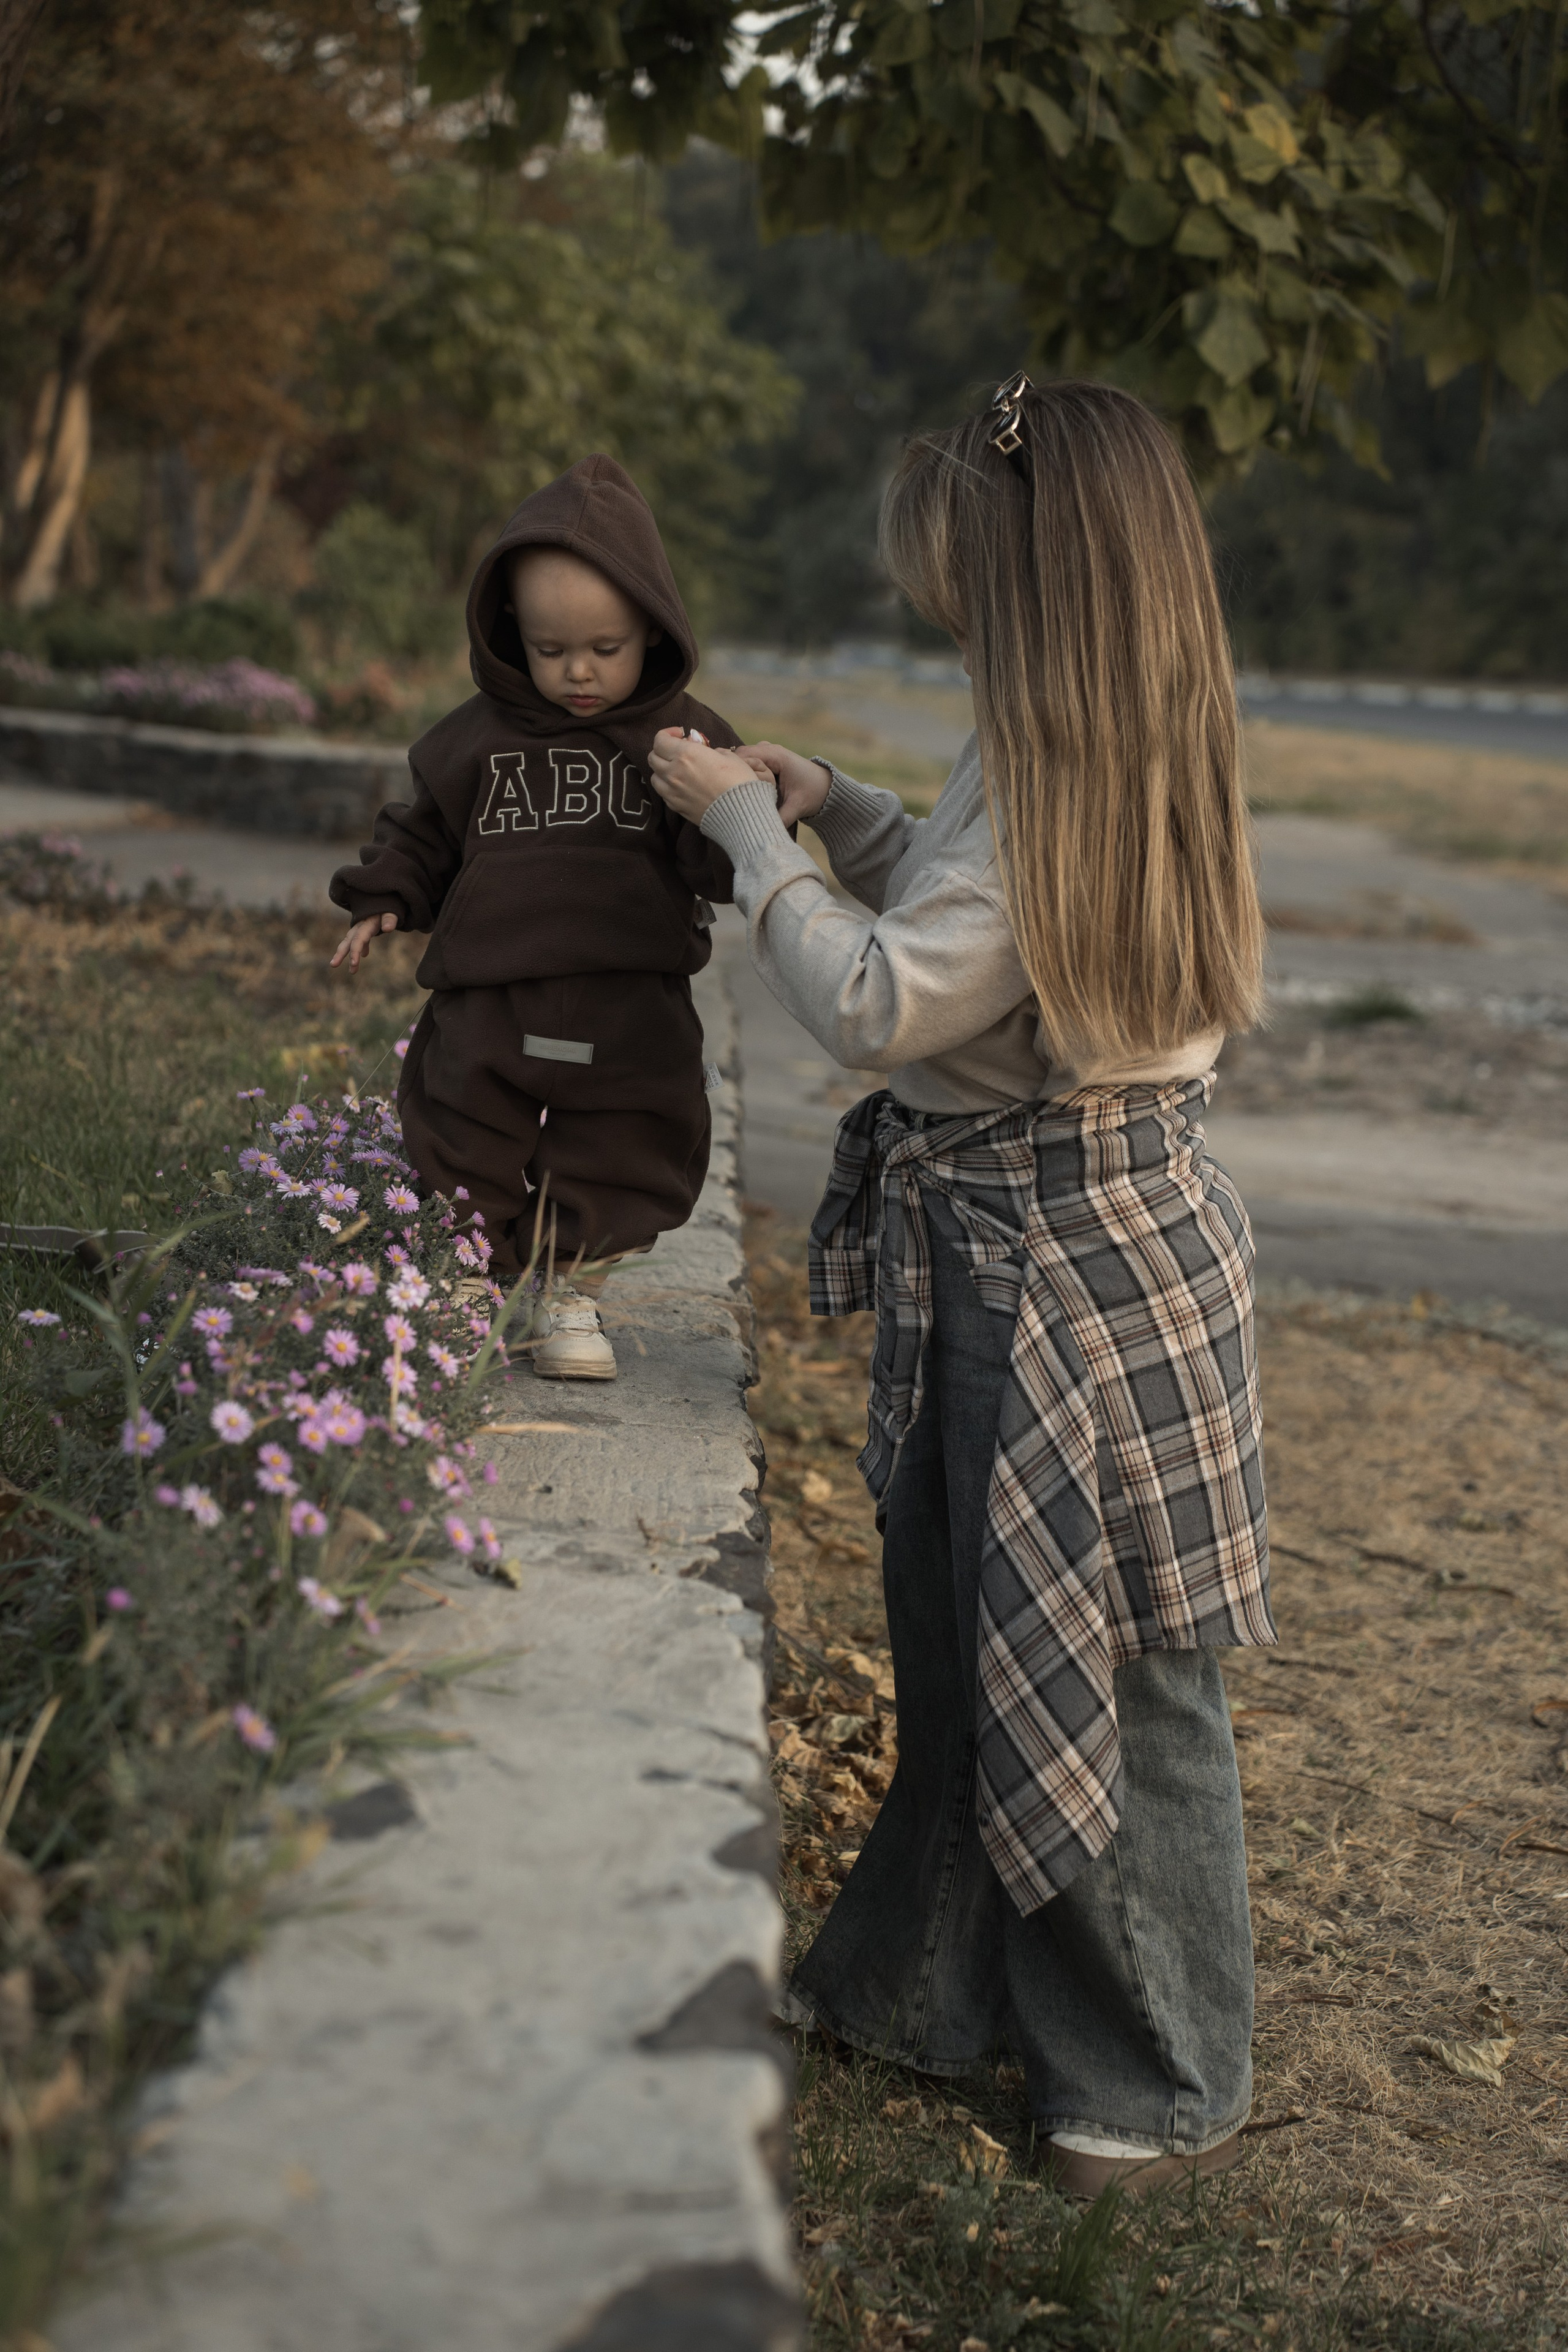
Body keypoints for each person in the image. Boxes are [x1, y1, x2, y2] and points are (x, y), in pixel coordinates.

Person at [647, 377, 1275, 2196]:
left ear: (1033, 585)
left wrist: (748, 836)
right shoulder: (1080, 739)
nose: (941, 616)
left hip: (1058, 1264)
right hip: (1045, 1237)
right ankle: (929, 1988)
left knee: (1102, 1672)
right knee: (967, 1633)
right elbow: (970, 923)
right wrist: (838, 807)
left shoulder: (1058, 771)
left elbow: (882, 1000)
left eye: (958, 588)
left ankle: (1153, 2080)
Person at [328, 454, 744, 1381]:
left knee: (626, 1138)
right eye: (551, 650)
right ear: (512, 631)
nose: (578, 672)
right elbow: (424, 830)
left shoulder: (682, 739)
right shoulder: (476, 736)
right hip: (493, 989)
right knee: (461, 1124)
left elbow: (723, 850)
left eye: (605, 647)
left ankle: (569, 1290)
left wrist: (742, 819)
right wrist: (383, 896)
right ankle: (469, 1278)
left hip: (630, 996)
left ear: (654, 627)